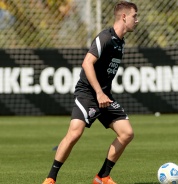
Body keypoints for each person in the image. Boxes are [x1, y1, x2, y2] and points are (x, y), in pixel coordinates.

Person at [42, 1, 138, 184]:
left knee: (126, 133)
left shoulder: (121, 42)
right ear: (124, 17)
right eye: (135, 16)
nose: (137, 20)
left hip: (104, 96)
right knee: (75, 133)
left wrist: (104, 94)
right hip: (87, 93)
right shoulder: (105, 38)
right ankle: (50, 179)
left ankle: (102, 177)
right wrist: (99, 93)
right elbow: (87, 63)